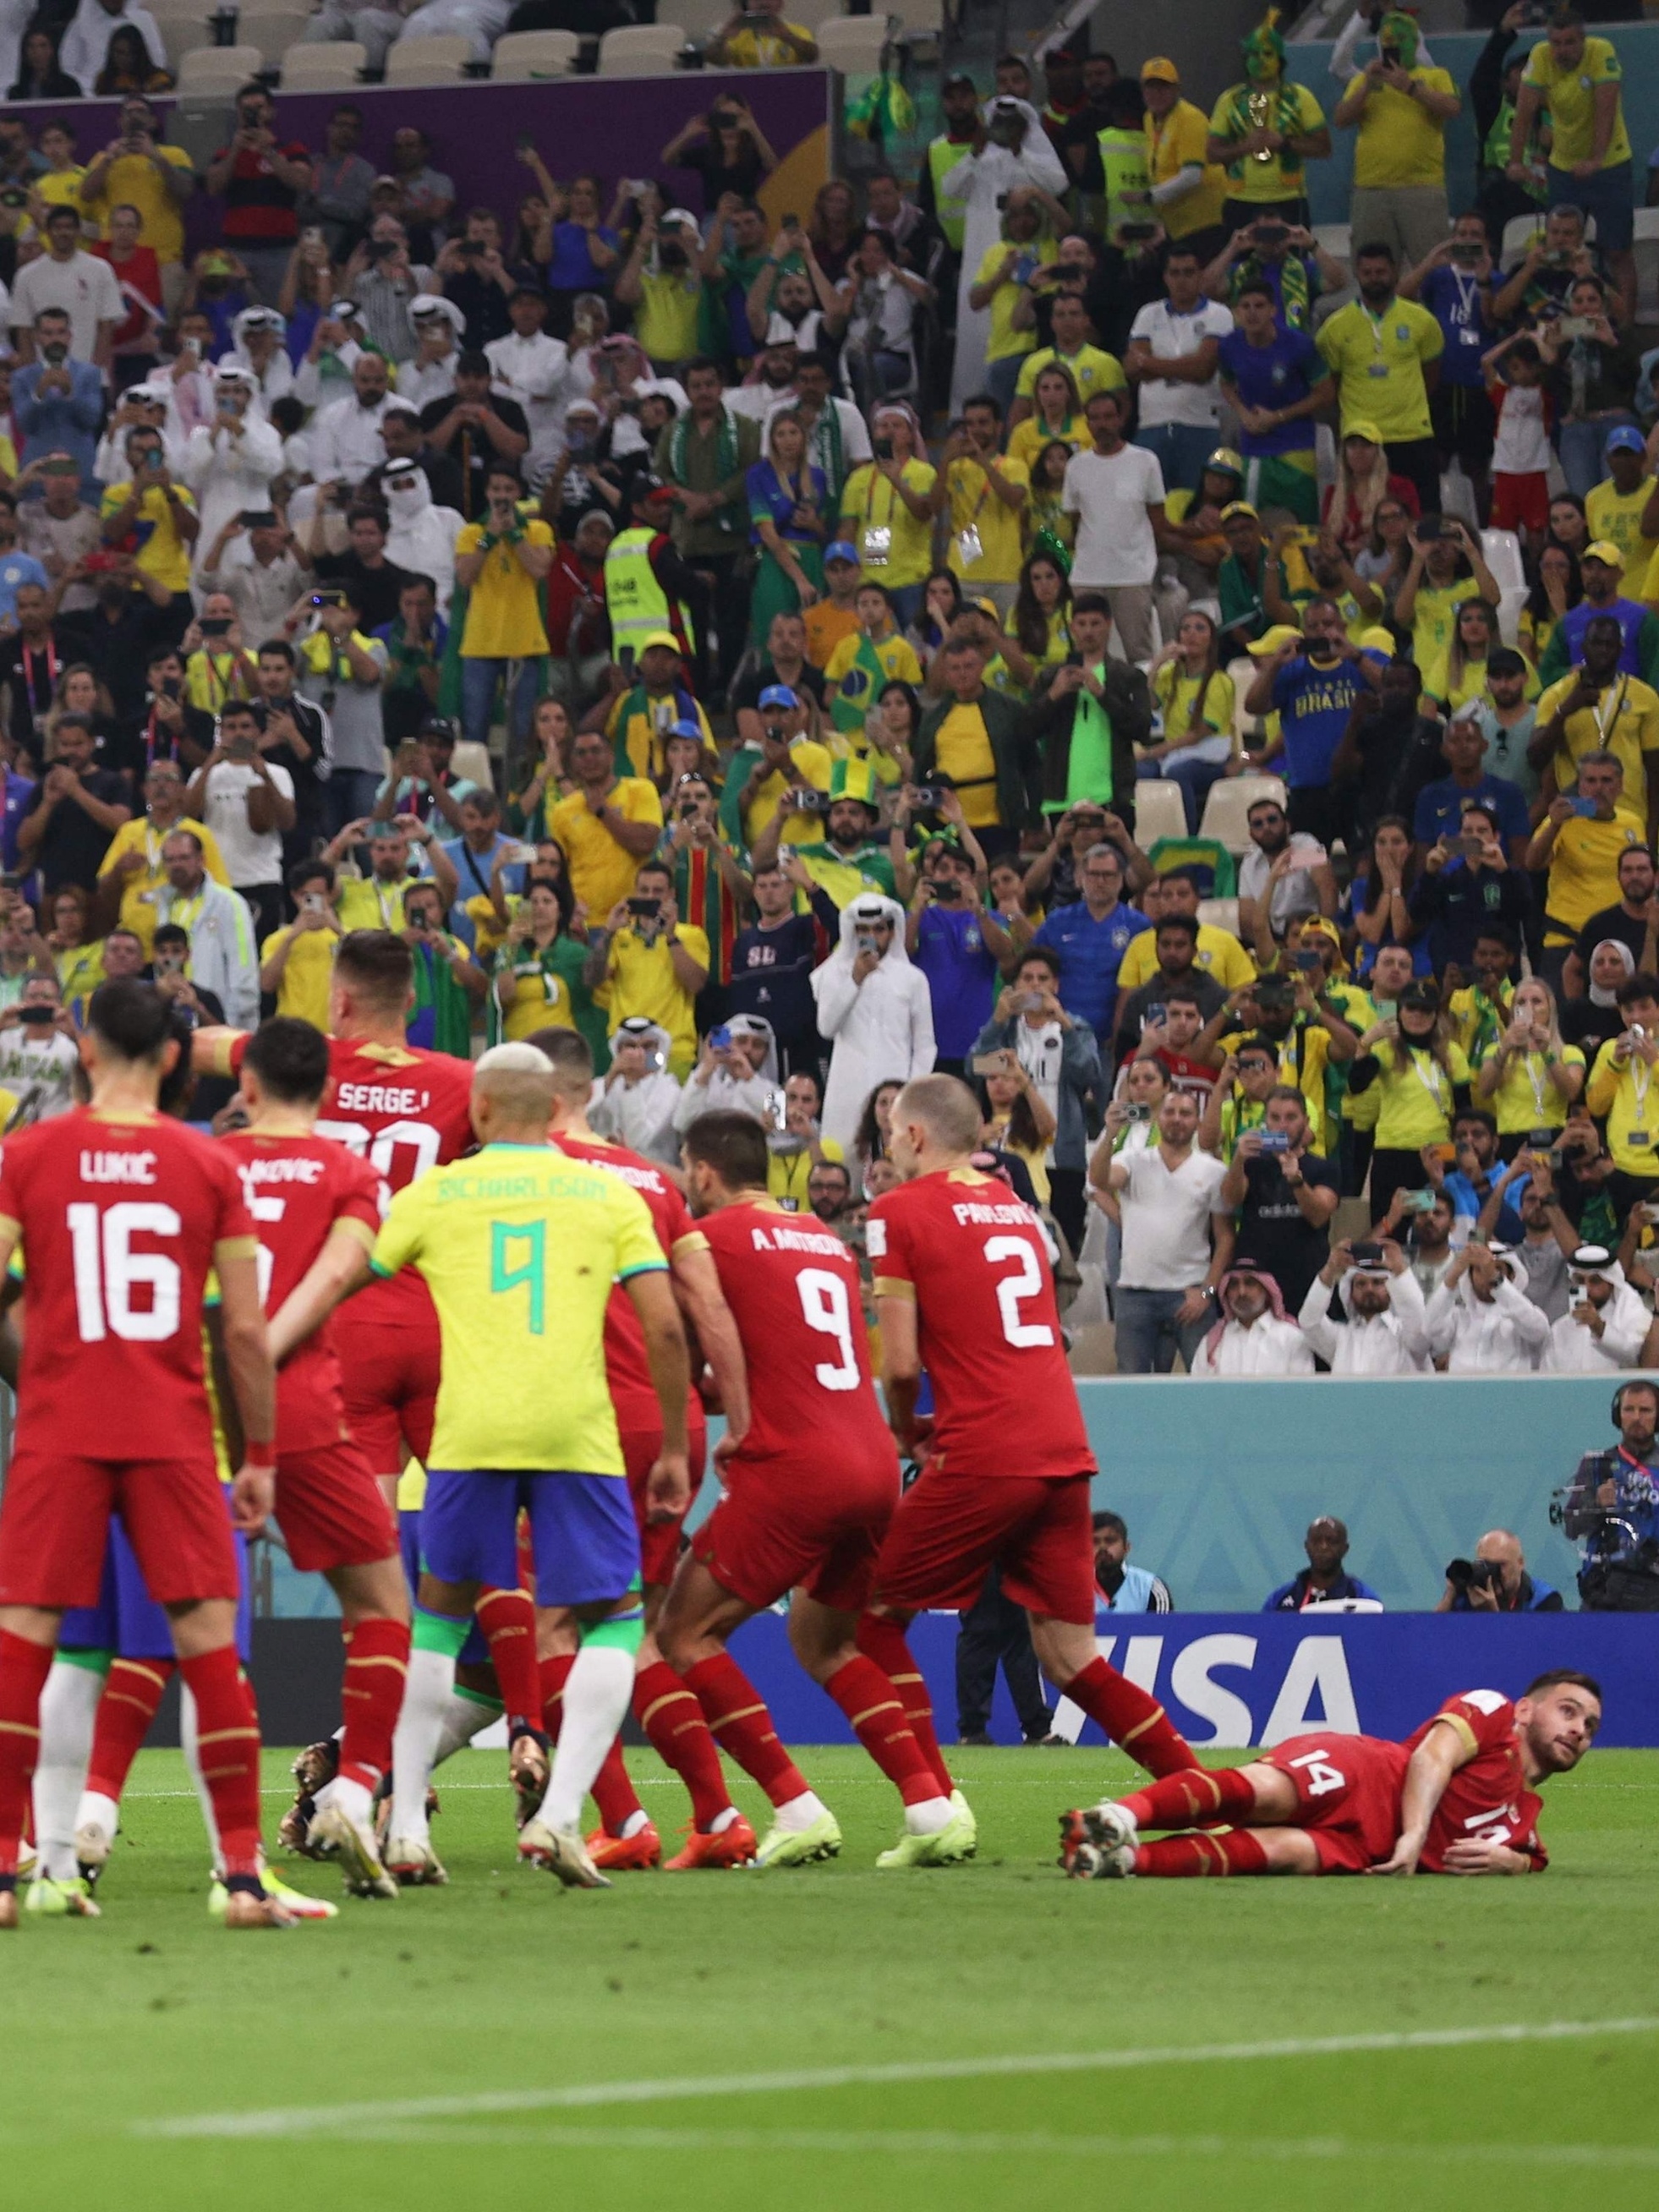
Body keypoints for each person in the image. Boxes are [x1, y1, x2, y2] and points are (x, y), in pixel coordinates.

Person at [0, 978, 293, 1929]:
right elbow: (245, 1333)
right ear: (173, 1061)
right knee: (210, 1651)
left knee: (24, 1646)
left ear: (85, 1050)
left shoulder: (27, 1156)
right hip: (172, 1436)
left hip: (59, 1430)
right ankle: (243, 1878)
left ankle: (6, 1874)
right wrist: (261, 1455)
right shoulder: (209, 1167)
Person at [365, 1042, 689, 1892]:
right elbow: (664, 1327)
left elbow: (357, 1279)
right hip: (576, 1438)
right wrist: (679, 1450)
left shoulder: (433, 1192)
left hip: (468, 1434)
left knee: (434, 1624)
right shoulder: (608, 1193)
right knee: (615, 1619)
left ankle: (402, 1828)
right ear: (555, 1112)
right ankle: (561, 1814)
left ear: (475, 1113)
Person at [640, 1106, 976, 1867]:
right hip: (870, 1461)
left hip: (793, 1465)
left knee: (684, 1633)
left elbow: (690, 1353)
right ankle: (930, 1806)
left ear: (700, 1172)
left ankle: (794, 1804)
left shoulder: (708, 1239)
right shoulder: (823, 1240)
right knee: (823, 1640)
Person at [865, 1075, 1196, 1786]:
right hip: (1061, 1449)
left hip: (984, 1450)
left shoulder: (898, 1211)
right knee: (1070, 1657)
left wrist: (903, 1428)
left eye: (892, 1133)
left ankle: (932, 1803)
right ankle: (1207, 1788)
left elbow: (898, 1365)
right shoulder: (1019, 1212)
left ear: (916, 1136)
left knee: (868, 1620)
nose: (888, 1146)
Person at [1065, 1672, 1602, 1879]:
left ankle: (1120, 1859)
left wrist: (1511, 1863)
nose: (1579, 1730)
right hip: (1367, 1774)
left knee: (1278, 1854)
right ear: (1529, 1711)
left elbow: (1532, 1860)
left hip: (1368, 1849)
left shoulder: (1526, 1826)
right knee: (1258, 1793)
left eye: (1591, 1726)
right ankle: (1118, 1815)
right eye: (1569, 1711)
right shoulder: (1493, 1710)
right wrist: (1415, 1835)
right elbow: (1430, 1758)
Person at [940, 98, 1069, 414]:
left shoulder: (1032, 157)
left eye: (1011, 125)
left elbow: (1059, 182)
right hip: (985, 252)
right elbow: (949, 188)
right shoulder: (979, 159)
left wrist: (1018, 150)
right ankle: (968, 411)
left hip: (1029, 252)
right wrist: (975, 150)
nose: (1004, 130)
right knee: (975, 336)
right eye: (999, 123)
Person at [1508, 11, 1634, 326]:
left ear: (1582, 40)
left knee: (1617, 251)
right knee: (1561, 249)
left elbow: (1606, 110)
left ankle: (1625, 327)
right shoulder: (1540, 56)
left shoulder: (1601, 52)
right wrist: (1515, 161)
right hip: (1563, 166)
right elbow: (1523, 112)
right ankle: (1567, 321)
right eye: (1556, 43)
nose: (1561, 50)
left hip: (1611, 164)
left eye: (1569, 42)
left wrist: (1596, 159)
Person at [972, 951, 1101, 1257]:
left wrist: (1064, 1025)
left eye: (1043, 979)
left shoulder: (1076, 1028)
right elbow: (974, 1066)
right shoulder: (1005, 1031)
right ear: (1015, 986)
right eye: (1027, 979)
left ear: (1056, 985)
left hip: (1063, 1150)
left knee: (1064, 1243)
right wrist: (997, 1020)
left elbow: (1089, 1073)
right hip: (1013, 1150)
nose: (1036, 986)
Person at [1103, 1085, 1231, 1372]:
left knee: (1203, 1381)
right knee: (1132, 1385)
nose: (1177, 1118)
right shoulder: (1132, 1160)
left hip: (1190, 1295)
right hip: (1134, 1293)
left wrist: (1207, 1292)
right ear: (1159, 1118)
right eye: (1170, 1112)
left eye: (1185, 1113)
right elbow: (1101, 1180)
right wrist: (1110, 1136)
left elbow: (1225, 1238)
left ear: (1197, 1122)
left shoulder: (1213, 1171)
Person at [1244, 598, 1386, 847]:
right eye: (1313, 626)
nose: (1322, 631)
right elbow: (1253, 706)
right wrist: (1275, 664)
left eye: (1328, 624)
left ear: (1342, 626)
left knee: (1363, 864)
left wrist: (1355, 657)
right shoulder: (1292, 670)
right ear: (1303, 633)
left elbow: (1396, 689)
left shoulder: (1366, 658)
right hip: (1308, 793)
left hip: (1360, 788)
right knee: (1308, 869)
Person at [1316, 242, 1445, 513]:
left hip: (1413, 433)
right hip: (1361, 440)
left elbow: (1431, 375)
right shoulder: (1336, 327)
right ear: (1357, 275)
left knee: (1426, 519)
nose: (1375, 278)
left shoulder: (1422, 321)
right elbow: (1333, 382)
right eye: (1368, 273)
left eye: (1381, 272)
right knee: (1363, 519)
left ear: (1395, 272)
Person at [1333, 12, 1459, 271]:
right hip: (1371, 189)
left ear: (1415, 42)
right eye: (1389, 40)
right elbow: (1341, 119)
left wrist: (1411, 87)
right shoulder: (1363, 80)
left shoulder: (1435, 76)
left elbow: (1452, 108)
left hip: (1422, 186)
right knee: (1373, 268)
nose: (1396, 46)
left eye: (1402, 39)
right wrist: (1367, 85)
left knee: (1434, 267)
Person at [452, 463, 554, 769]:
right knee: (474, 730)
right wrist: (490, 537)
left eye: (508, 490)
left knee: (524, 730)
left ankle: (519, 799)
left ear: (518, 494)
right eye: (496, 489)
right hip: (481, 644)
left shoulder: (538, 530)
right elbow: (465, 577)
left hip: (524, 643)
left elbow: (539, 569)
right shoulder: (471, 533)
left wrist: (513, 533)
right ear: (487, 493)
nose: (502, 496)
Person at [1061, 390, 1168, 663]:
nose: (1102, 424)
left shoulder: (1146, 461)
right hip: (1087, 575)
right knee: (1085, 653)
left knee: (1139, 653)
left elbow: (1159, 520)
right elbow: (1075, 519)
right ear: (1087, 424)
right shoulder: (1076, 467)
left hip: (1133, 574)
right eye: (1094, 418)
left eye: (1108, 417)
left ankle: (1144, 706)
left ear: (1121, 419)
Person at [1217, 278, 1333, 525]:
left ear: (1273, 310)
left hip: (1297, 448)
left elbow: (1325, 393)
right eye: (1245, 306)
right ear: (1237, 312)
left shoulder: (1300, 346)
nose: (1252, 313)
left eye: (1259, 306)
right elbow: (1226, 383)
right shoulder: (1229, 346)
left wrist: (1278, 417)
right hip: (1254, 450)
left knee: (1303, 528)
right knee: (1255, 526)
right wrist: (1243, 413)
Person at [1532, 614, 1659, 835]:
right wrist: (1564, 711)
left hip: (1630, 817)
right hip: (1578, 815)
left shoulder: (1645, 697)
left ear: (1621, 648)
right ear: (1583, 646)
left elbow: (1656, 774)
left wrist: (1652, 834)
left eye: (1609, 644)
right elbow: (1535, 757)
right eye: (1596, 643)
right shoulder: (1556, 695)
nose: (1602, 650)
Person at [1124, 248, 1234, 497]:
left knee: (1197, 502)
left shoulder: (1219, 314)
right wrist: (1184, 365)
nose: (1181, 280)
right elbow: (1131, 368)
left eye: (1188, 272)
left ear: (1200, 275)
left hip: (1201, 425)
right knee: (1148, 501)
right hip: (1152, 425)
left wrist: (1151, 363)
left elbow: (1203, 369)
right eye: (1175, 273)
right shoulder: (1148, 314)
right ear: (1165, 277)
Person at [183, 700, 293, 944]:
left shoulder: (277, 773)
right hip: (217, 880)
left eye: (245, 726)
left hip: (262, 878)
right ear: (221, 732)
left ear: (257, 732)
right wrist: (211, 761)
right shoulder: (204, 775)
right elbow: (188, 815)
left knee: (260, 952)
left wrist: (263, 776)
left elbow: (287, 821)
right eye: (231, 727)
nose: (239, 733)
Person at [204, 85, 313, 309]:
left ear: (271, 112)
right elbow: (213, 187)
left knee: (281, 312)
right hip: (236, 248)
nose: (252, 113)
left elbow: (301, 182)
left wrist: (269, 152)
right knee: (233, 310)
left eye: (259, 108)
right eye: (246, 109)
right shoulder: (225, 153)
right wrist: (236, 150)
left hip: (279, 250)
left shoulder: (291, 149)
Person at [1561, 1377, 1659, 1607]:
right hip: (1605, 1587)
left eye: (1645, 1410)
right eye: (1629, 1410)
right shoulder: (1597, 1465)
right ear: (1618, 1415)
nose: (1637, 1418)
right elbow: (1572, 1527)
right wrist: (1597, 1504)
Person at [1300, 1235, 1432, 1373]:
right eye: (1361, 1284)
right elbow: (1309, 1322)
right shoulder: (1341, 1338)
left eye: (1377, 1283)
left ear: (1391, 1289)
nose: (1369, 1289)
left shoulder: (1406, 1335)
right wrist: (1330, 1268)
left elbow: (1417, 1319)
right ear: (1350, 1293)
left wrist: (1399, 1268)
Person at [1188, 1258, 1316, 1377]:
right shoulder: (1213, 1342)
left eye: (1249, 1283)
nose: (1241, 1292)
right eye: (1233, 1285)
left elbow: (1302, 1394)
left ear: (1266, 1290)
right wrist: (1205, 1293)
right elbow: (1198, 1392)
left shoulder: (1291, 1337)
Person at [1433, 1528, 1562, 1614]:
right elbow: (1432, 1636)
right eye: (1486, 1564)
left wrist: (1491, 1614)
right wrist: (1450, 1595)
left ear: (1520, 1563)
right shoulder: (1468, 1590)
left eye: (1501, 1565)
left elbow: (1527, 1650)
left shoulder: (1545, 1599)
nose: (1493, 1573)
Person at [1264, 1517, 1380, 1611]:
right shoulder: (1280, 1599)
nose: (1323, 1547)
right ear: (1306, 1547)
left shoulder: (1363, 1597)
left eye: (1331, 1541)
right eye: (1316, 1541)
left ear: (1345, 1549)